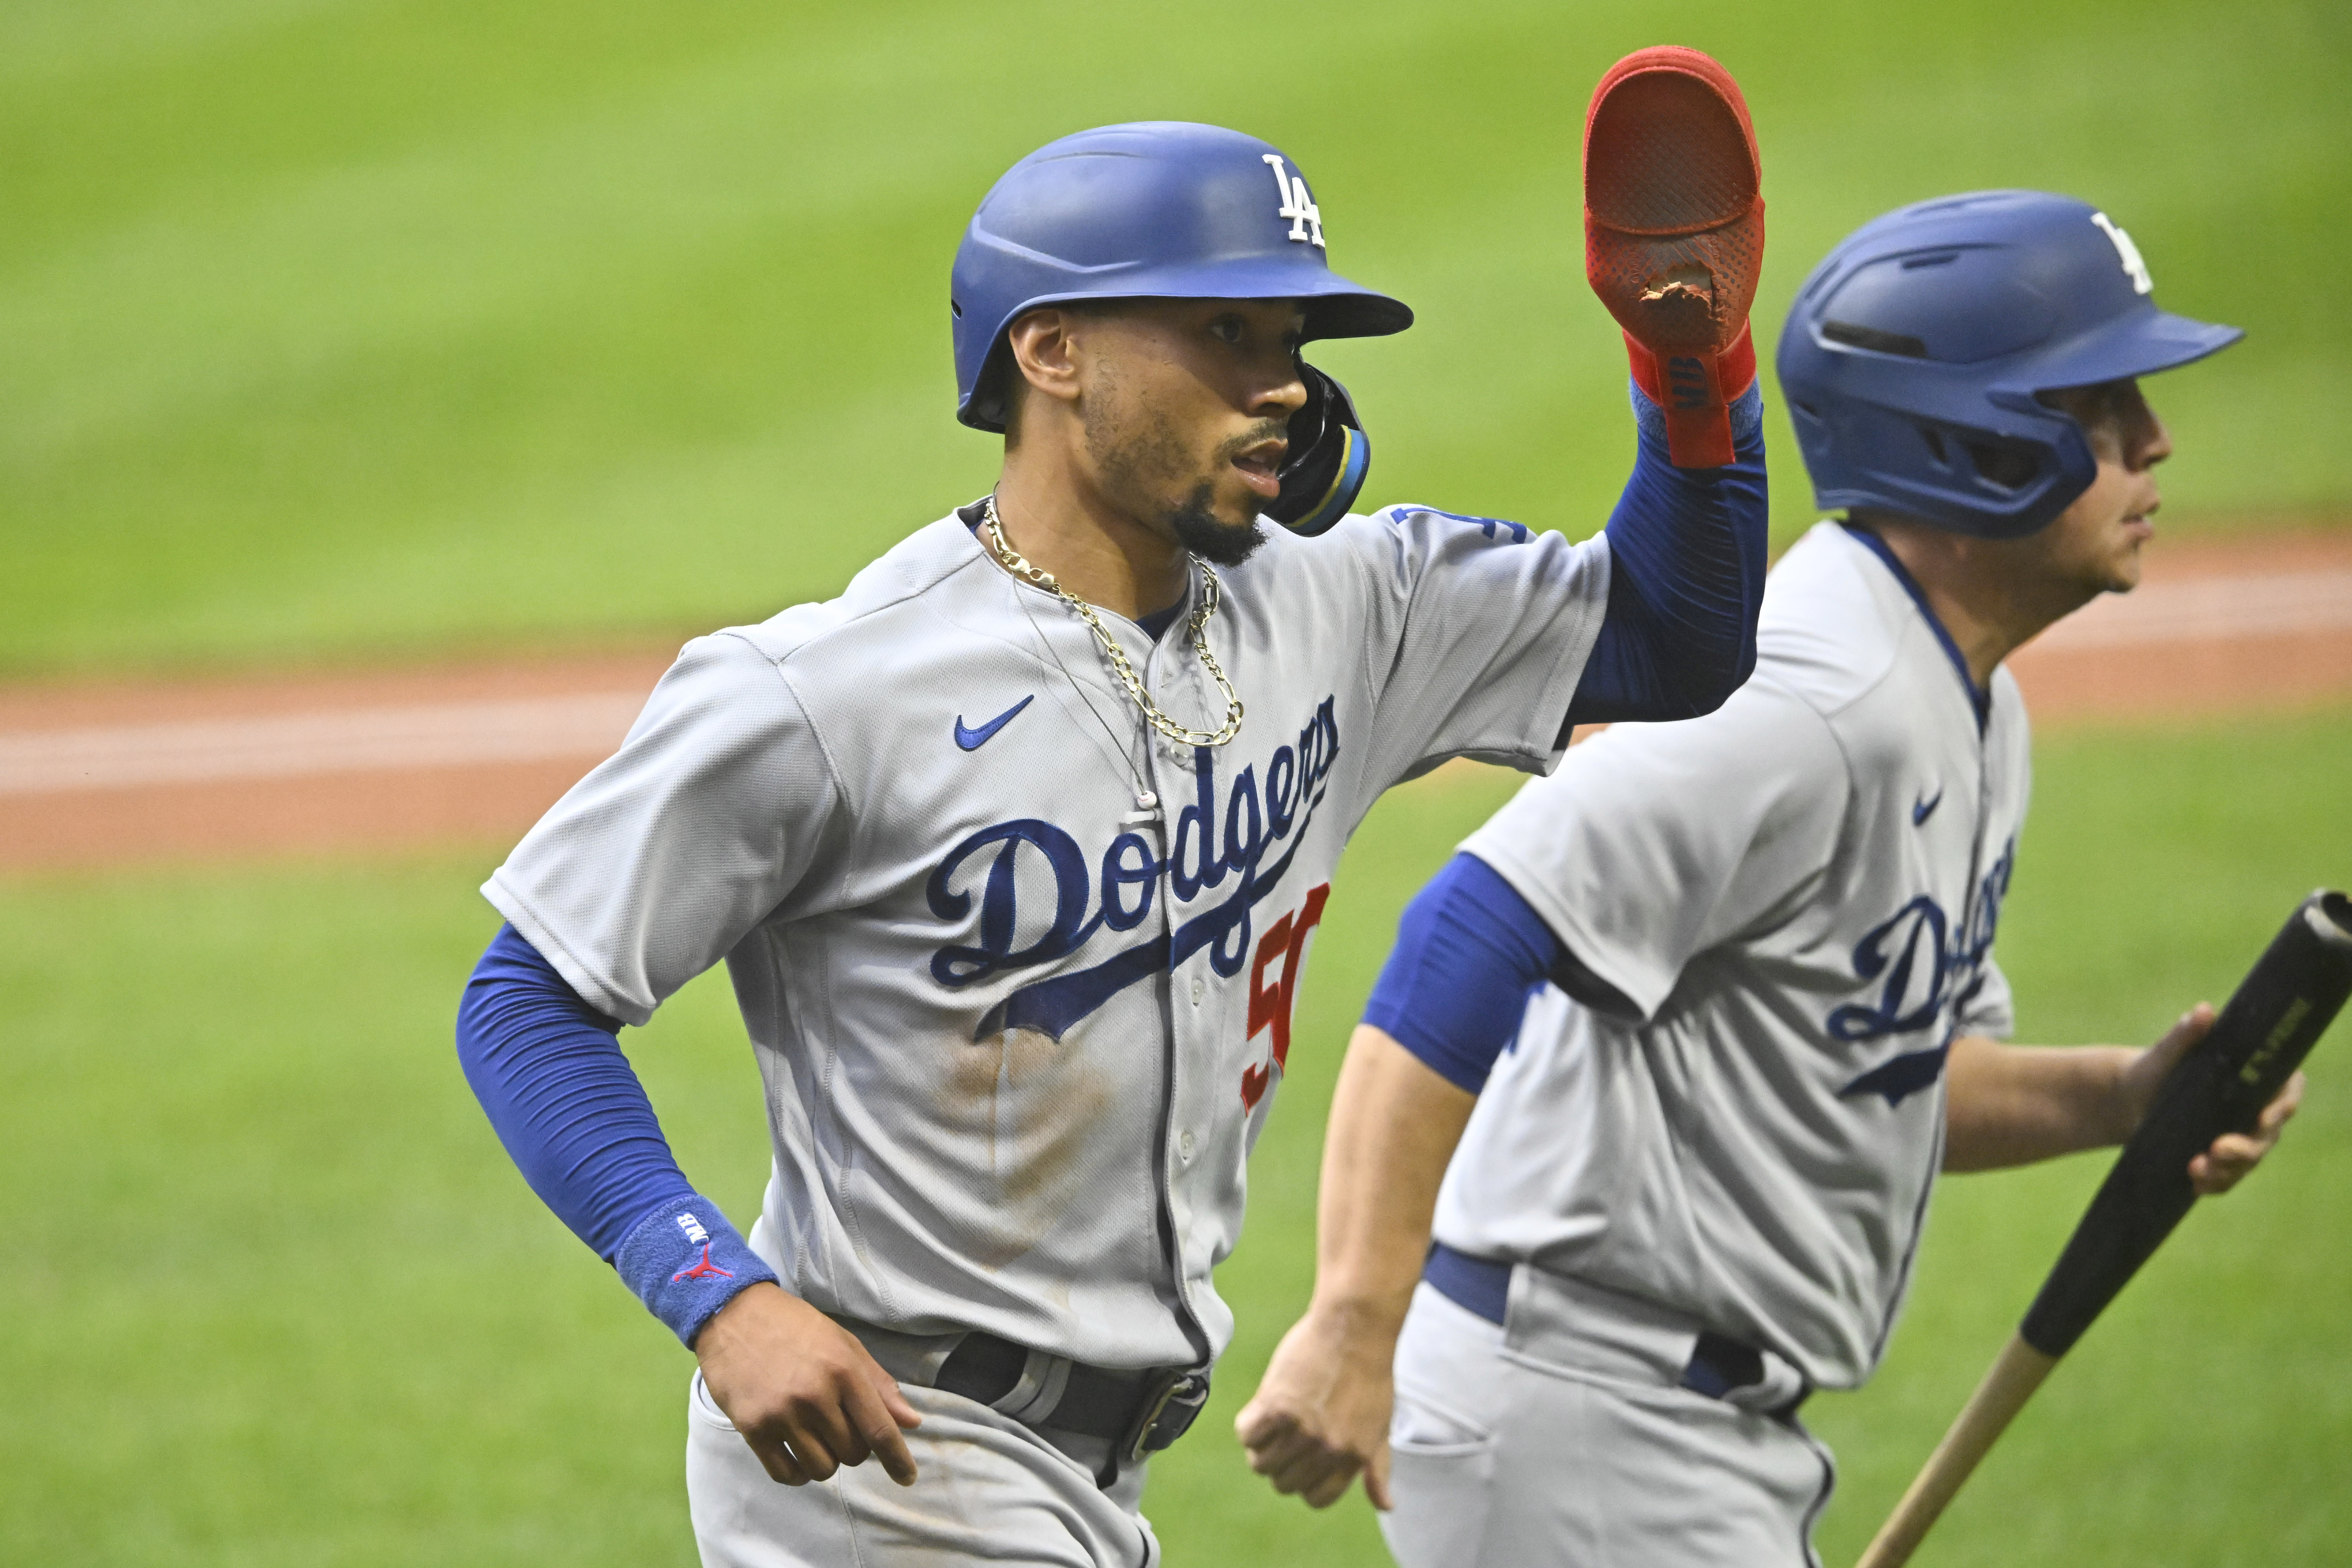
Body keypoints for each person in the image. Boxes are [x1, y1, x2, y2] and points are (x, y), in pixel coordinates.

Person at [454, 80, 1772, 1568]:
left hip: (1091, 1479)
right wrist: (718, 1291)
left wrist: (1693, 369)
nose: (1279, 383)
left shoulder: (1343, 602)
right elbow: (527, 997)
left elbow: (1673, 639)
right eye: (1225, 334)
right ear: (1053, 349)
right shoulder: (826, 692)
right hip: (894, 1458)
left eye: (1289, 344)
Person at [1233, 189, 2307, 1567]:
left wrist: (2122, 1098)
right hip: (1583, 1412)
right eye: (2101, 408)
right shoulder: (1805, 692)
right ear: (1978, 442)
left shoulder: (1964, 697)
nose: (2154, 442)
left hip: (1669, 1426)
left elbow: (1876, 1065)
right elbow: (1471, 921)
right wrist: (1350, 1318)